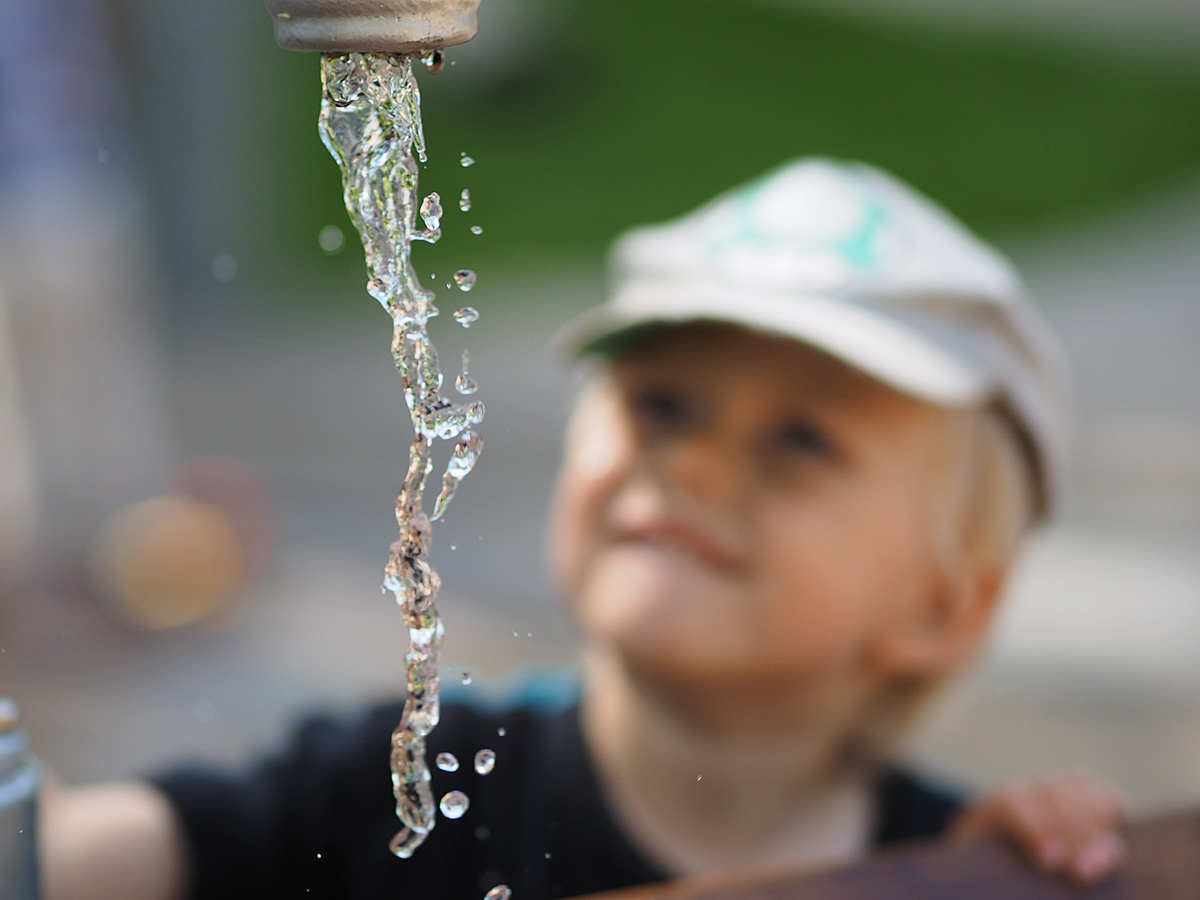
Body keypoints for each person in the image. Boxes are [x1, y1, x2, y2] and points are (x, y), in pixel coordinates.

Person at [39, 159, 1126, 900]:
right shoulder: (407, 784)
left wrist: (1038, 870)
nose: (693, 459)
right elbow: (71, 861)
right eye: (661, 403)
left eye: (802, 439)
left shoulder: (953, 863)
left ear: (942, 605)